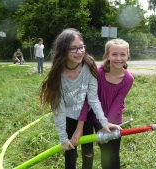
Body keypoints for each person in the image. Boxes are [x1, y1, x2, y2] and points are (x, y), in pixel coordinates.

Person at [39, 28, 121, 169]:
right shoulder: (58, 74)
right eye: (74, 49)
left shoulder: (88, 66)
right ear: (63, 50)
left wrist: (104, 122)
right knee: (70, 154)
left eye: (81, 47)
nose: (79, 52)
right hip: (68, 118)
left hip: (86, 116)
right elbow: (58, 109)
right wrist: (63, 139)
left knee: (88, 153)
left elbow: (93, 99)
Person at [78, 38, 134, 169]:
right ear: (107, 55)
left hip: (114, 120)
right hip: (94, 117)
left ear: (127, 56)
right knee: (95, 150)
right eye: (114, 54)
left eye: (122, 54)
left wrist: (107, 123)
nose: (118, 58)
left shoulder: (128, 79)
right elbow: (89, 98)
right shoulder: (98, 73)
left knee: (111, 155)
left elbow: (117, 103)